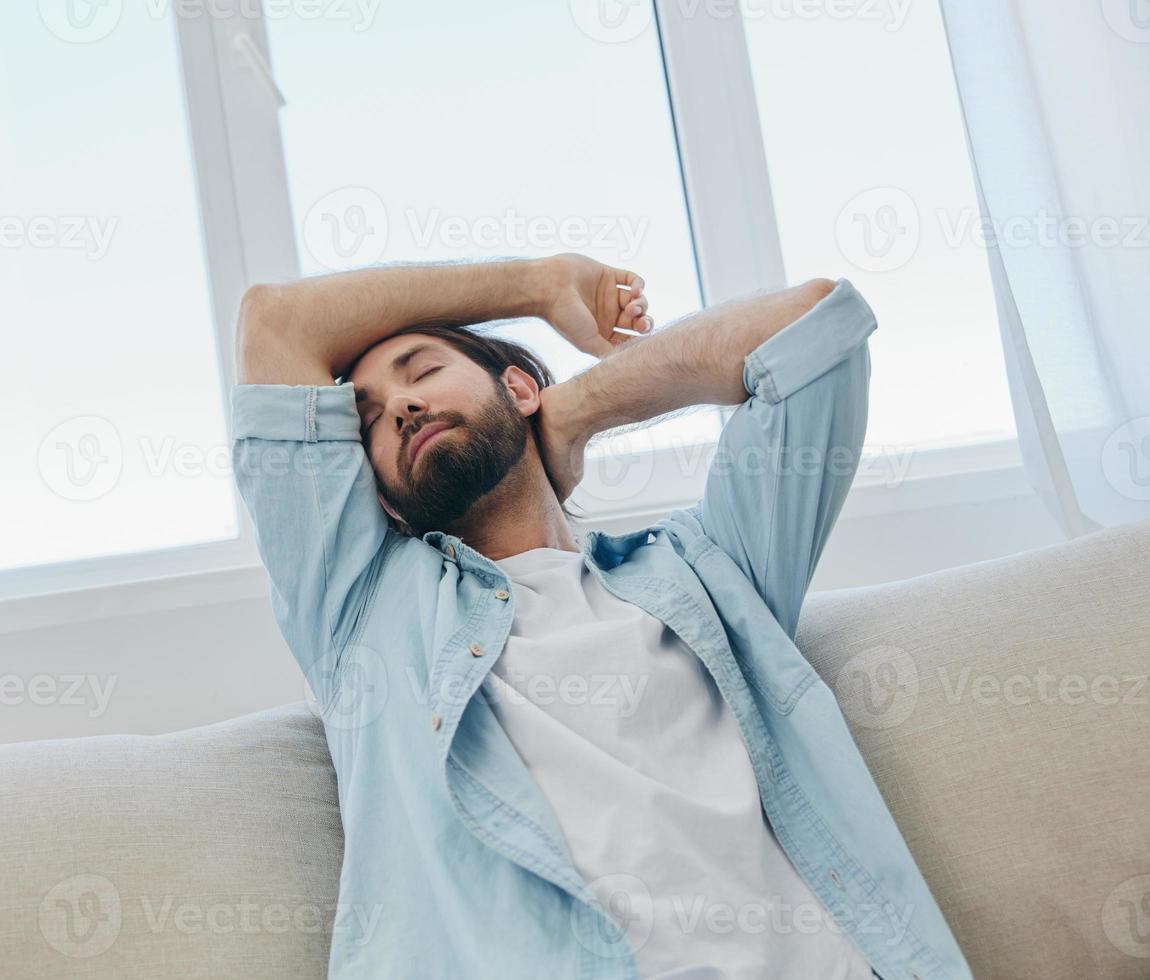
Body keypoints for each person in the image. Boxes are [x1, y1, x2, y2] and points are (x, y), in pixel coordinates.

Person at [230, 254, 971, 979]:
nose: (400, 407)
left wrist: (576, 410)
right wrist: (539, 284)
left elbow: (814, 328)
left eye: (421, 372)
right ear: (382, 497)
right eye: (371, 422)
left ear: (519, 389)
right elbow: (277, 321)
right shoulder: (361, 611)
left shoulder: (710, 571)